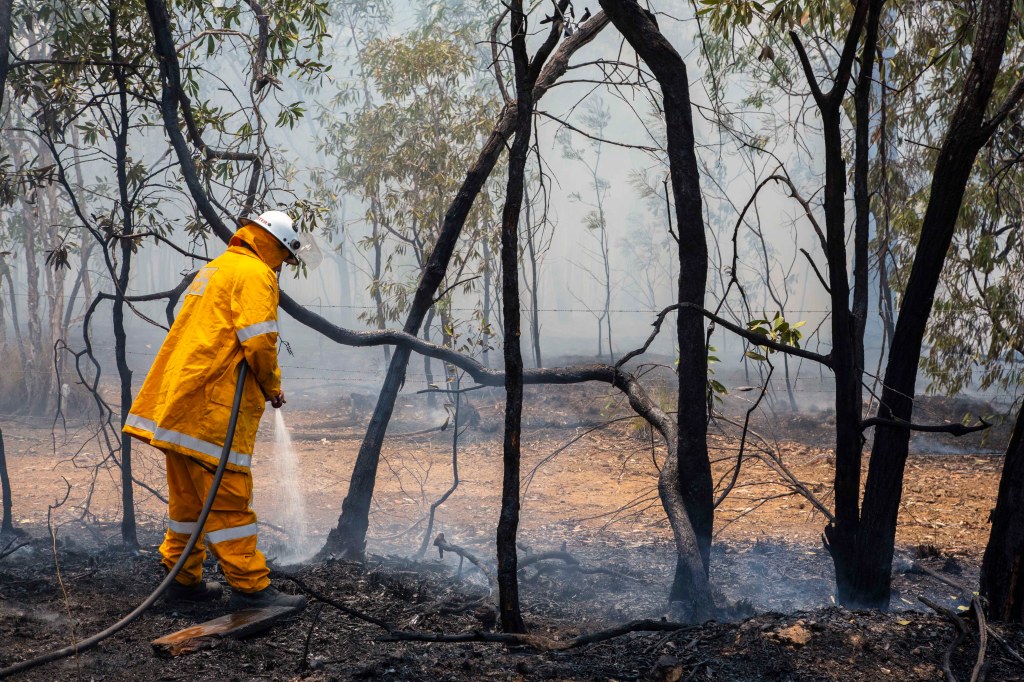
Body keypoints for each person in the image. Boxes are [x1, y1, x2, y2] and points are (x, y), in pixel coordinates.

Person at [123, 210, 306, 609]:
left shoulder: (217, 268)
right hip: (212, 411)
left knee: (188, 505)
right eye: (284, 258)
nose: (282, 268)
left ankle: (181, 583)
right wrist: (272, 387)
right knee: (229, 501)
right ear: (273, 245)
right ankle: (251, 589)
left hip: (180, 406)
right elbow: (259, 341)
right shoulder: (255, 273)